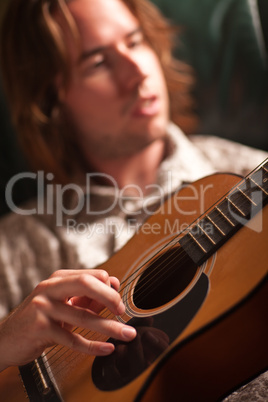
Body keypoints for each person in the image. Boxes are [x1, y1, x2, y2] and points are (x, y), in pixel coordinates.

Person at [0, 0, 267, 397]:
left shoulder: (249, 170)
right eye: (98, 62)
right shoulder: (15, 248)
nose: (137, 71)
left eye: (136, 41)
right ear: (50, 98)